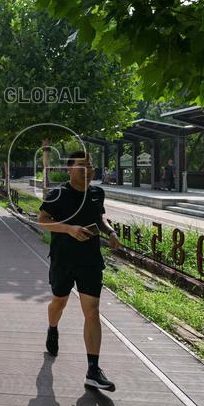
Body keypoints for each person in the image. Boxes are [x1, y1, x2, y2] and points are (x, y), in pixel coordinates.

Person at [38, 150, 121, 391]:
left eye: (90, 166)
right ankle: (53, 328)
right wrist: (69, 229)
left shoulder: (97, 193)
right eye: (81, 166)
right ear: (69, 169)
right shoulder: (58, 194)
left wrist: (111, 232)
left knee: (92, 311)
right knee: (59, 303)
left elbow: (100, 219)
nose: (88, 170)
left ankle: (93, 370)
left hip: (90, 260)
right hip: (63, 260)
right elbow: (42, 220)